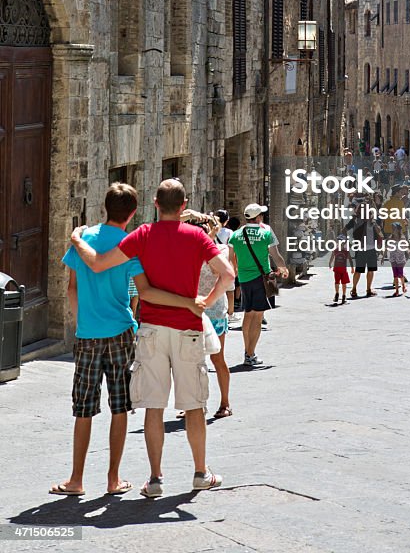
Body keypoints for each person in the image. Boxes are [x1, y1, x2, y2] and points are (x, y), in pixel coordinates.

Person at [70, 178, 234, 498]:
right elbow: (227, 274)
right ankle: (201, 472)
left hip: (152, 330)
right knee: (195, 406)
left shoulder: (143, 235)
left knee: (154, 407)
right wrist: (204, 298)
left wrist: (77, 239)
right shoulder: (197, 237)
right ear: (184, 205)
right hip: (188, 329)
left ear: (156, 205)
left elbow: (99, 263)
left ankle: (156, 479)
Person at [183, 211, 234, 419]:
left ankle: (225, 402)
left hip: (213, 310)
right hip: (194, 310)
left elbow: (218, 272)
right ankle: (195, 403)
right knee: (191, 360)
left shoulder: (220, 249)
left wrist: (211, 237)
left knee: (217, 359)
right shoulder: (186, 250)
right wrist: (188, 215)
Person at [227, 203, 289, 366]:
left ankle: (247, 351)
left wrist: (234, 272)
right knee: (258, 316)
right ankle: (250, 354)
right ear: (259, 217)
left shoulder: (235, 235)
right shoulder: (266, 232)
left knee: (248, 314)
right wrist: (283, 268)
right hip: (261, 278)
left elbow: (231, 259)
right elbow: (275, 255)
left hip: (244, 278)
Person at [348, 199, 384, 297]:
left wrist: (373, 222)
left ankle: (368, 289)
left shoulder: (372, 219)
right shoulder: (356, 220)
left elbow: (379, 231)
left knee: (371, 270)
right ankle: (354, 289)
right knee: (358, 270)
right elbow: (348, 230)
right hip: (361, 248)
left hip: (372, 248)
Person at [329, 232, 353, 304]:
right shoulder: (336, 250)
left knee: (343, 283)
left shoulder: (345, 251)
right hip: (337, 270)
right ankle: (338, 294)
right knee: (338, 282)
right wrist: (330, 263)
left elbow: (350, 259)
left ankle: (343, 295)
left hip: (342, 270)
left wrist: (352, 268)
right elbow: (332, 257)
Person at [388, 222, 408, 295]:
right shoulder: (391, 237)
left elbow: (405, 247)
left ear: (398, 229)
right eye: (392, 228)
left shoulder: (402, 237)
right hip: (393, 258)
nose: (393, 229)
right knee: (395, 275)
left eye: (394, 228)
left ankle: (403, 285)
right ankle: (397, 290)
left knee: (400, 274)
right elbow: (388, 246)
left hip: (400, 258)